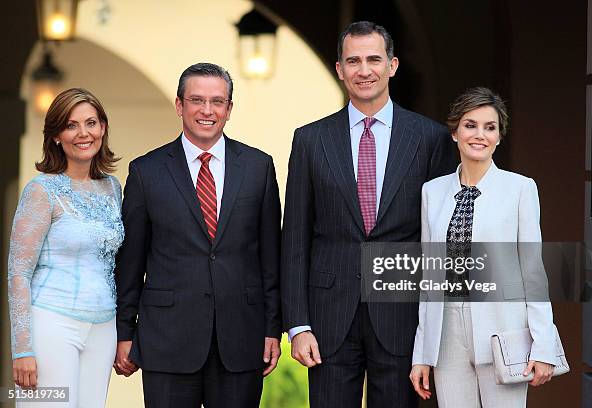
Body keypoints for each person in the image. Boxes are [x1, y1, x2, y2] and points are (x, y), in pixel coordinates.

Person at [281, 21, 455, 407]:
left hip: (401, 314)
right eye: (353, 60)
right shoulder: (310, 140)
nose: (364, 70)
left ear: (392, 65)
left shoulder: (430, 139)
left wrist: (434, 329)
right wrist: (297, 325)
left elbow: (437, 239)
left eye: (374, 59)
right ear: (340, 69)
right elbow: (294, 237)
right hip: (328, 318)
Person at [114, 62, 282, 408]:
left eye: (217, 102)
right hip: (167, 340)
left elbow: (271, 257)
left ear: (229, 109)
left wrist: (272, 328)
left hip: (241, 339)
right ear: (180, 105)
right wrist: (124, 333)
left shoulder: (258, 167)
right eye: (197, 100)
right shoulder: (146, 172)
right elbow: (130, 261)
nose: (208, 111)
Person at [409, 87, 559, 407]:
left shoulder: (520, 189)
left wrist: (543, 344)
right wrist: (421, 353)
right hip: (447, 333)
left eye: (490, 127)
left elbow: (533, 271)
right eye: (470, 125)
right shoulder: (431, 192)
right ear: (455, 132)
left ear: (499, 137)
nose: (480, 135)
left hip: (504, 331)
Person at [8, 88, 123, 408]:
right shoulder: (41, 190)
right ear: (56, 135)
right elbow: (18, 272)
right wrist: (22, 349)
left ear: (103, 128)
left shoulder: (113, 188)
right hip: (51, 324)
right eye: (71, 125)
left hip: (103, 327)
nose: (83, 133)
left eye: (91, 123)